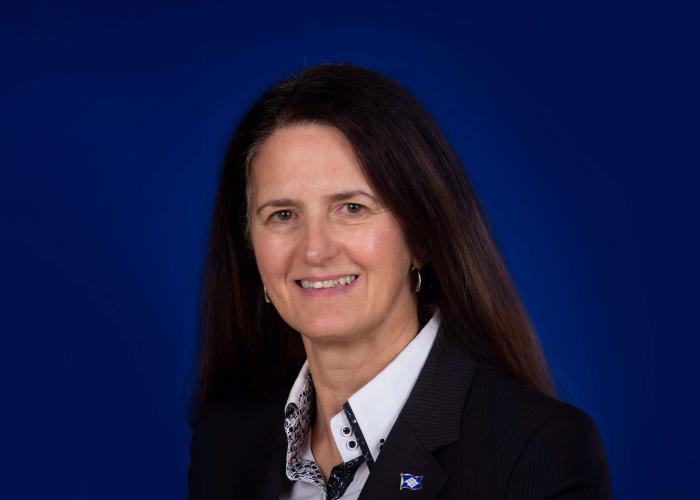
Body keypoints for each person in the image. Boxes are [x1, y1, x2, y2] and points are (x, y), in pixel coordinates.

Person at [187, 63, 612, 500]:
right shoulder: (226, 446)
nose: (314, 250)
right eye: (282, 215)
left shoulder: (534, 451)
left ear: (421, 236)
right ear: (250, 248)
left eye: (352, 208)